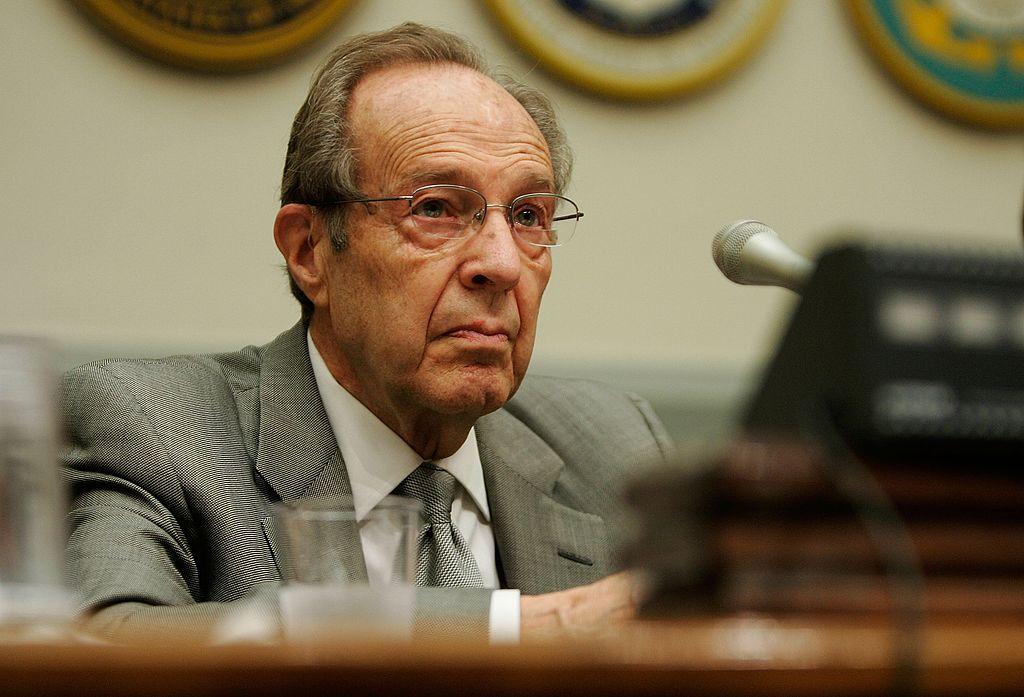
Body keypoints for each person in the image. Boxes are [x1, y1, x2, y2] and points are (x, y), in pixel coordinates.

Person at [61, 23, 672, 641]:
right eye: (434, 208)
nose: (502, 263)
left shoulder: (614, 445)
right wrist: (524, 626)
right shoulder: (158, 424)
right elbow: (109, 638)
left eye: (527, 215)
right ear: (309, 250)